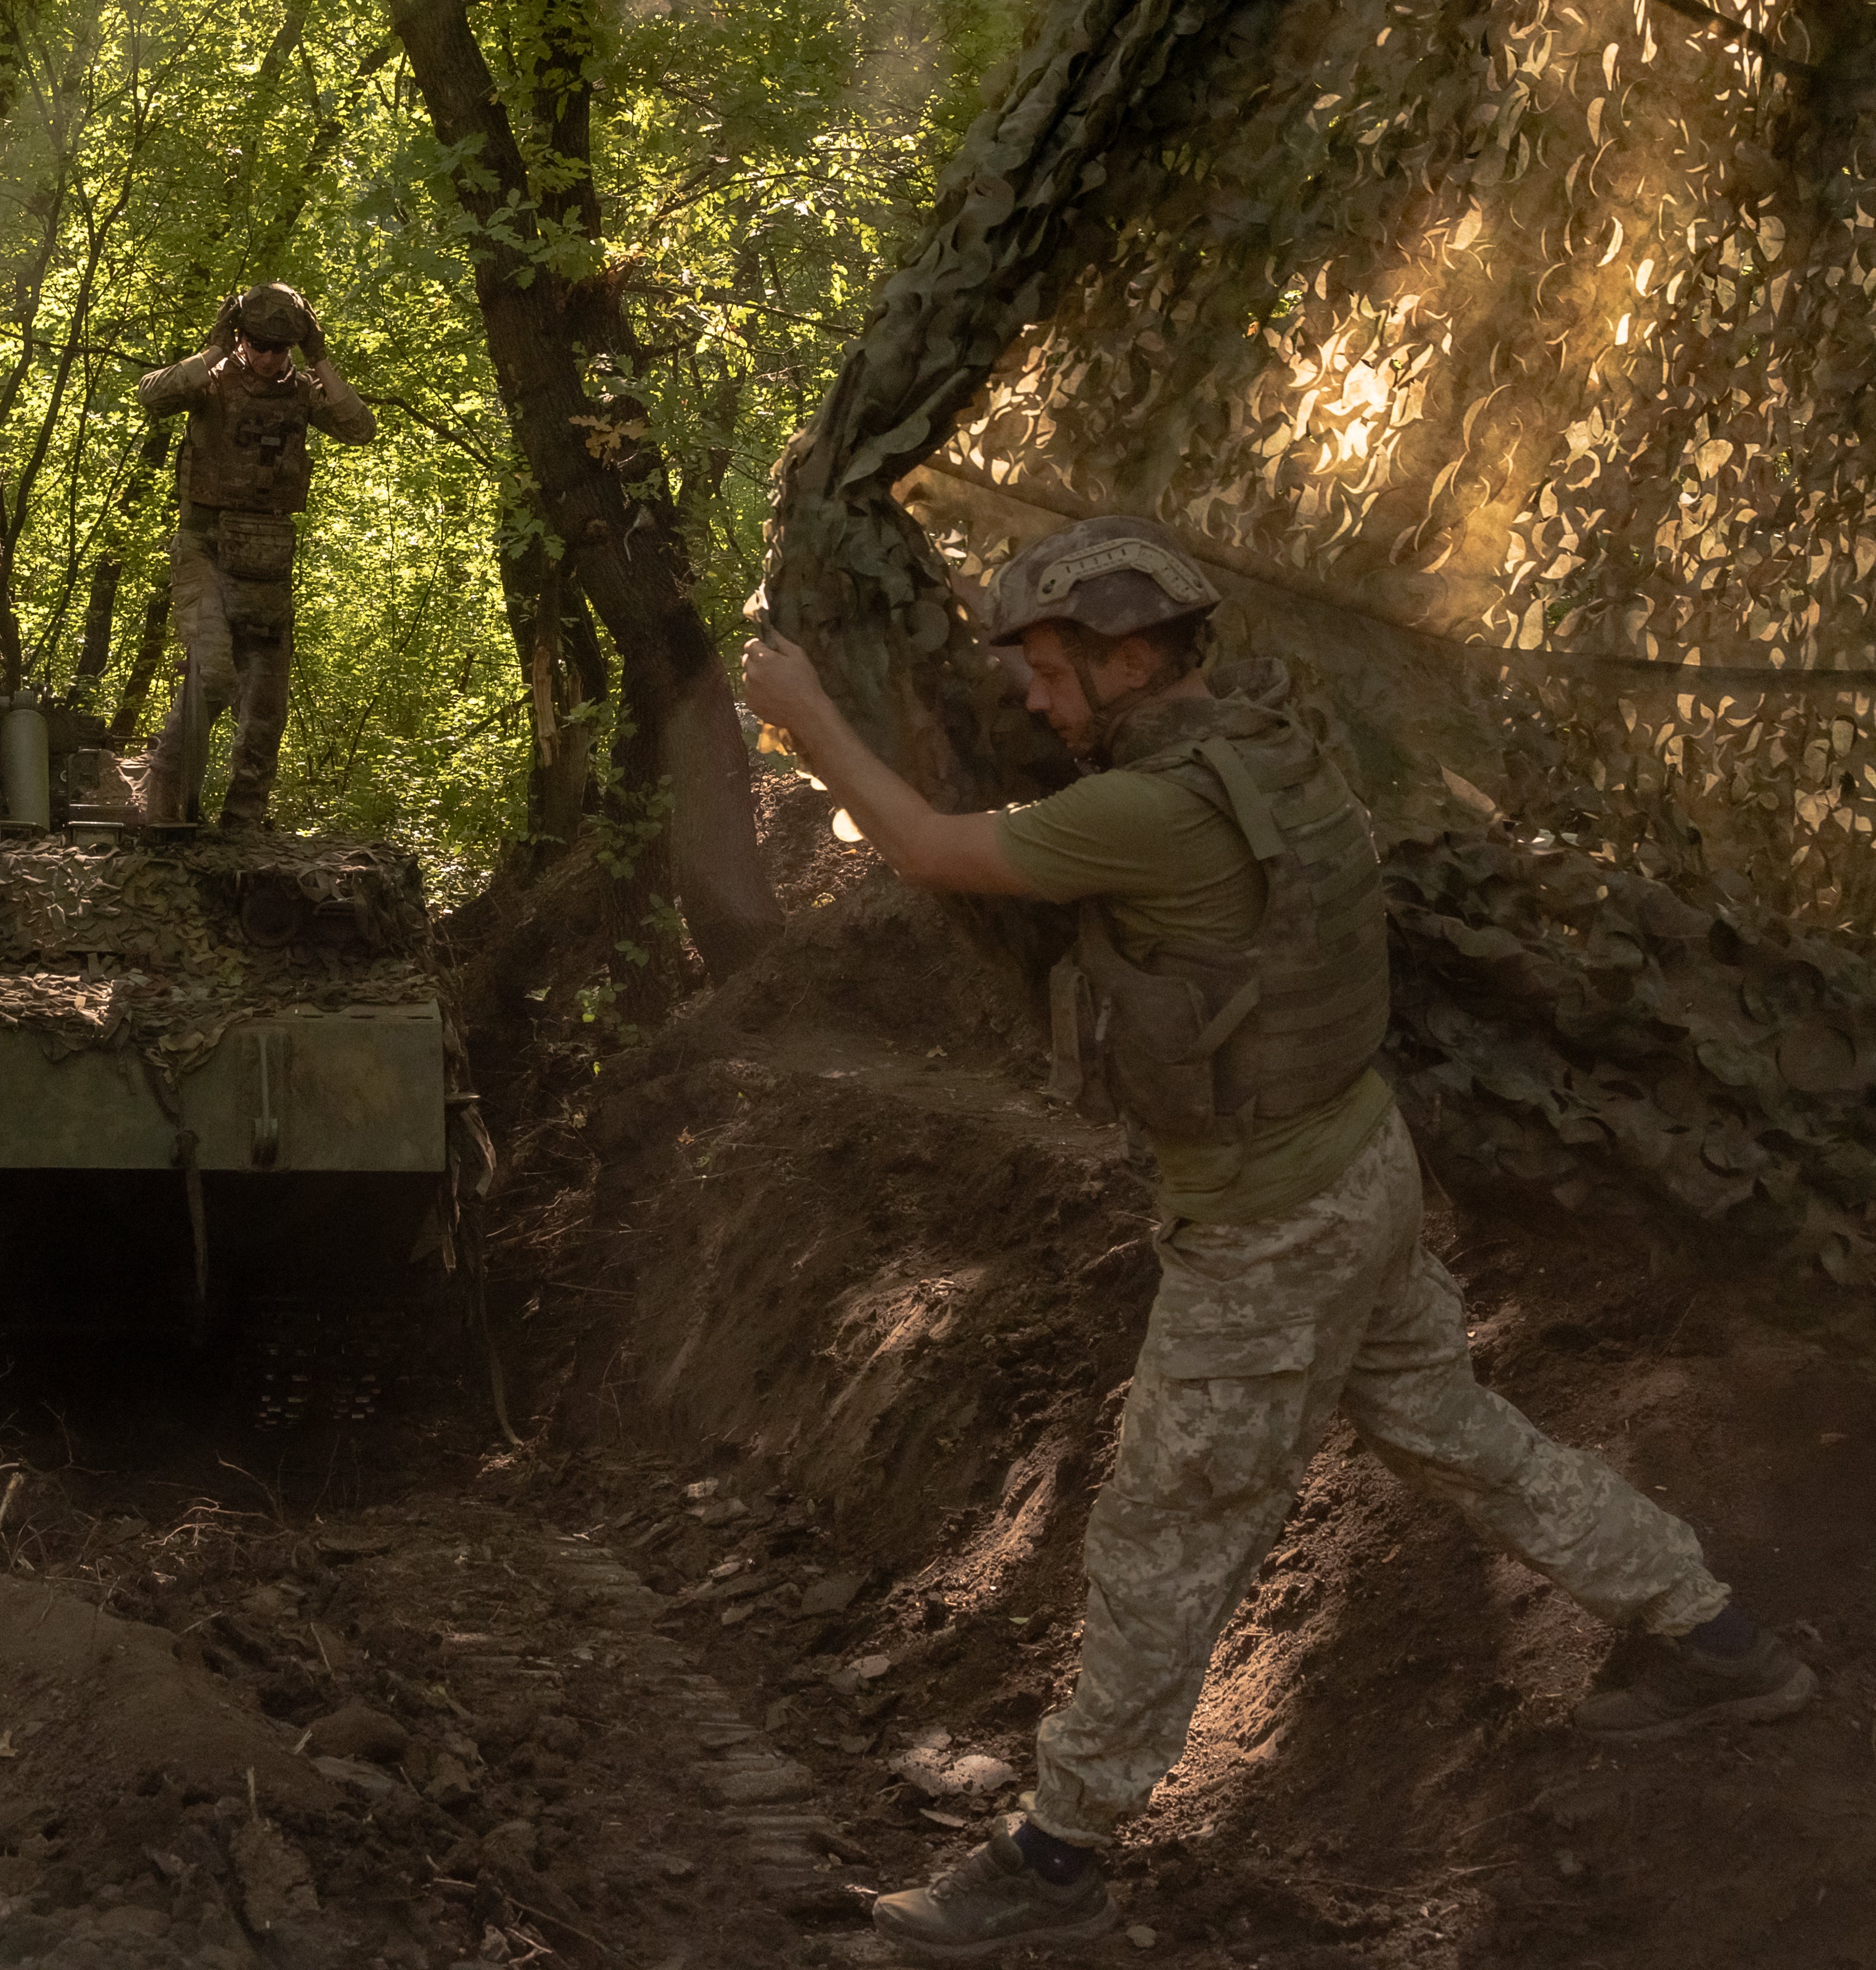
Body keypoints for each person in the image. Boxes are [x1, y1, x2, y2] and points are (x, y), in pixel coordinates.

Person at [734, 516, 1815, 1960]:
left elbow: (927, 849)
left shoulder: (1154, 813)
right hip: (1358, 1163)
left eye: (1051, 675)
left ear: (1127, 660)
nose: (1037, 706)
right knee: (1450, 1425)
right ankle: (1714, 1636)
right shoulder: (1268, 744)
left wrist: (807, 722)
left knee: (1161, 1538)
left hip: (1269, 1230)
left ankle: (1059, 1858)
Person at [134, 283, 374, 828]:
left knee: (265, 706)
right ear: (241, 337)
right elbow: (151, 395)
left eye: (280, 348)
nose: (268, 359)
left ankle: (242, 827)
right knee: (213, 674)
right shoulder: (211, 382)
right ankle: (161, 797)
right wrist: (215, 350)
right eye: (259, 344)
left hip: (267, 559)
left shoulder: (304, 390)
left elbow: (360, 429)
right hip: (204, 547)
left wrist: (319, 357)